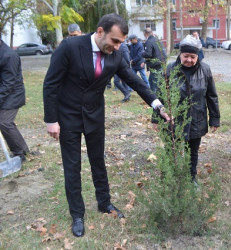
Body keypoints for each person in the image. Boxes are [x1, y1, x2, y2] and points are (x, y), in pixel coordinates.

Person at [43, 13, 170, 238]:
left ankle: (105, 203)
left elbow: (133, 80)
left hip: (94, 116)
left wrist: (156, 103)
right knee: (72, 167)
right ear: (100, 32)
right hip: (68, 117)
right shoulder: (70, 47)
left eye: (121, 42)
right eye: (115, 41)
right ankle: (77, 214)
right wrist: (51, 120)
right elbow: (51, 83)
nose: (118, 46)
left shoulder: (116, 54)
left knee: (98, 162)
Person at [154, 35, 220, 183]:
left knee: (193, 152)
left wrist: (215, 118)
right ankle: (171, 178)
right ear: (180, 54)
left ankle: (191, 178)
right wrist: (155, 118)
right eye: (186, 56)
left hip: (197, 118)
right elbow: (160, 95)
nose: (189, 60)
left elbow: (212, 96)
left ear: (198, 56)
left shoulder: (205, 70)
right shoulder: (170, 69)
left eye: (193, 56)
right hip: (173, 119)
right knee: (172, 149)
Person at [0, 39, 29, 162]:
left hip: (13, 94)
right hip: (6, 93)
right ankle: (23, 148)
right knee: (6, 123)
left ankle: (19, 153)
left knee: (4, 122)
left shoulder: (9, 56)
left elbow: (8, 83)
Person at [142, 27, 166, 92]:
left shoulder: (148, 42)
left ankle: (156, 99)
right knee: (152, 82)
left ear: (145, 34)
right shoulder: (158, 40)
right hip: (161, 64)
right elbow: (163, 53)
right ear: (152, 32)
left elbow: (148, 54)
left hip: (154, 66)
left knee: (155, 85)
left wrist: (142, 53)